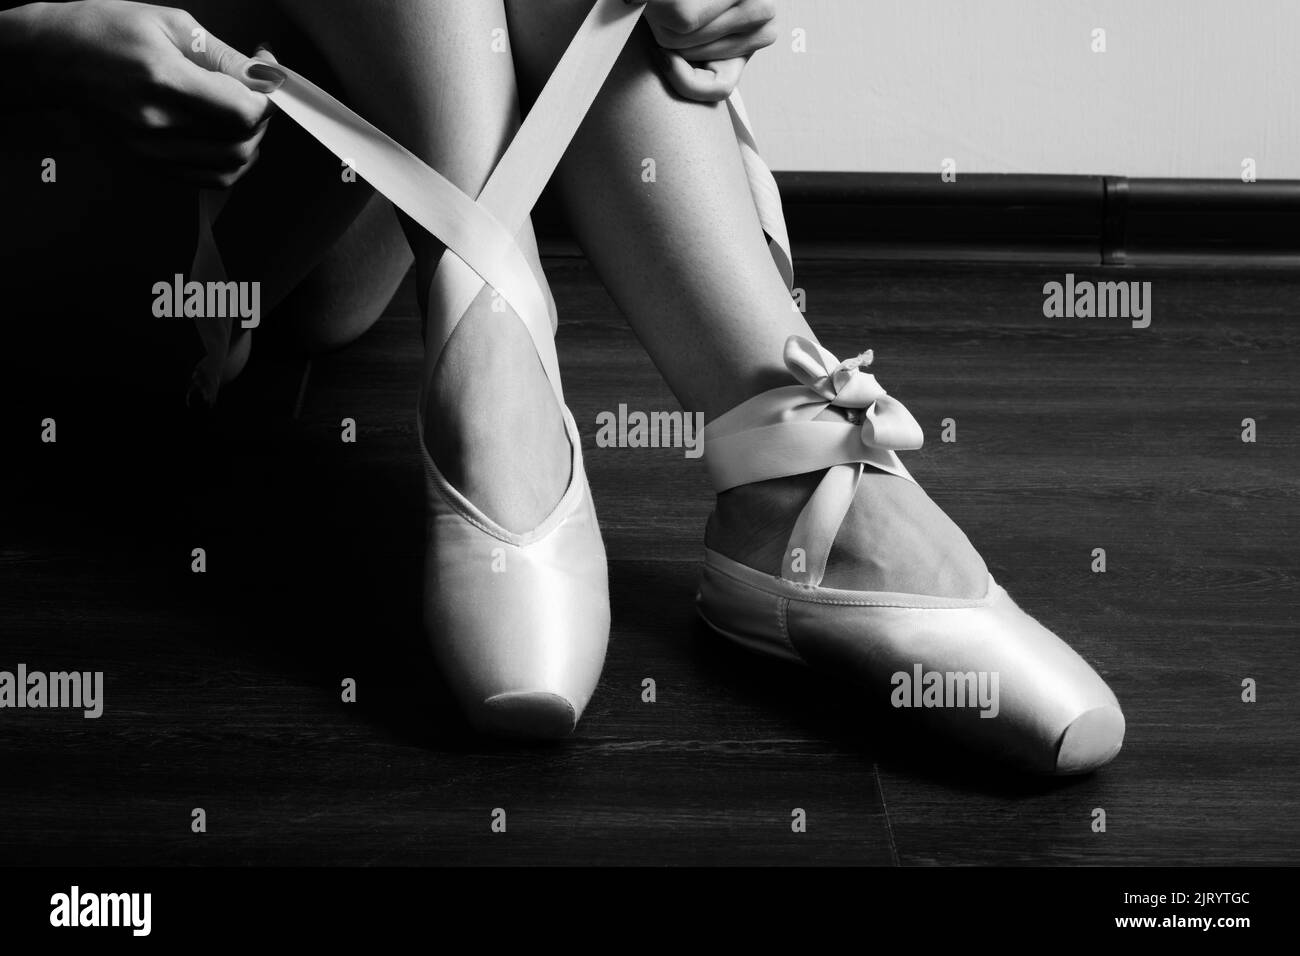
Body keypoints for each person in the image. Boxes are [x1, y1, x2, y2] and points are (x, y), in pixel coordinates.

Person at [0, 0, 1124, 773]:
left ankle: (543, 346)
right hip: (99, 212)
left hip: (302, 191)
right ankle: (756, 455)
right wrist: (40, 39)